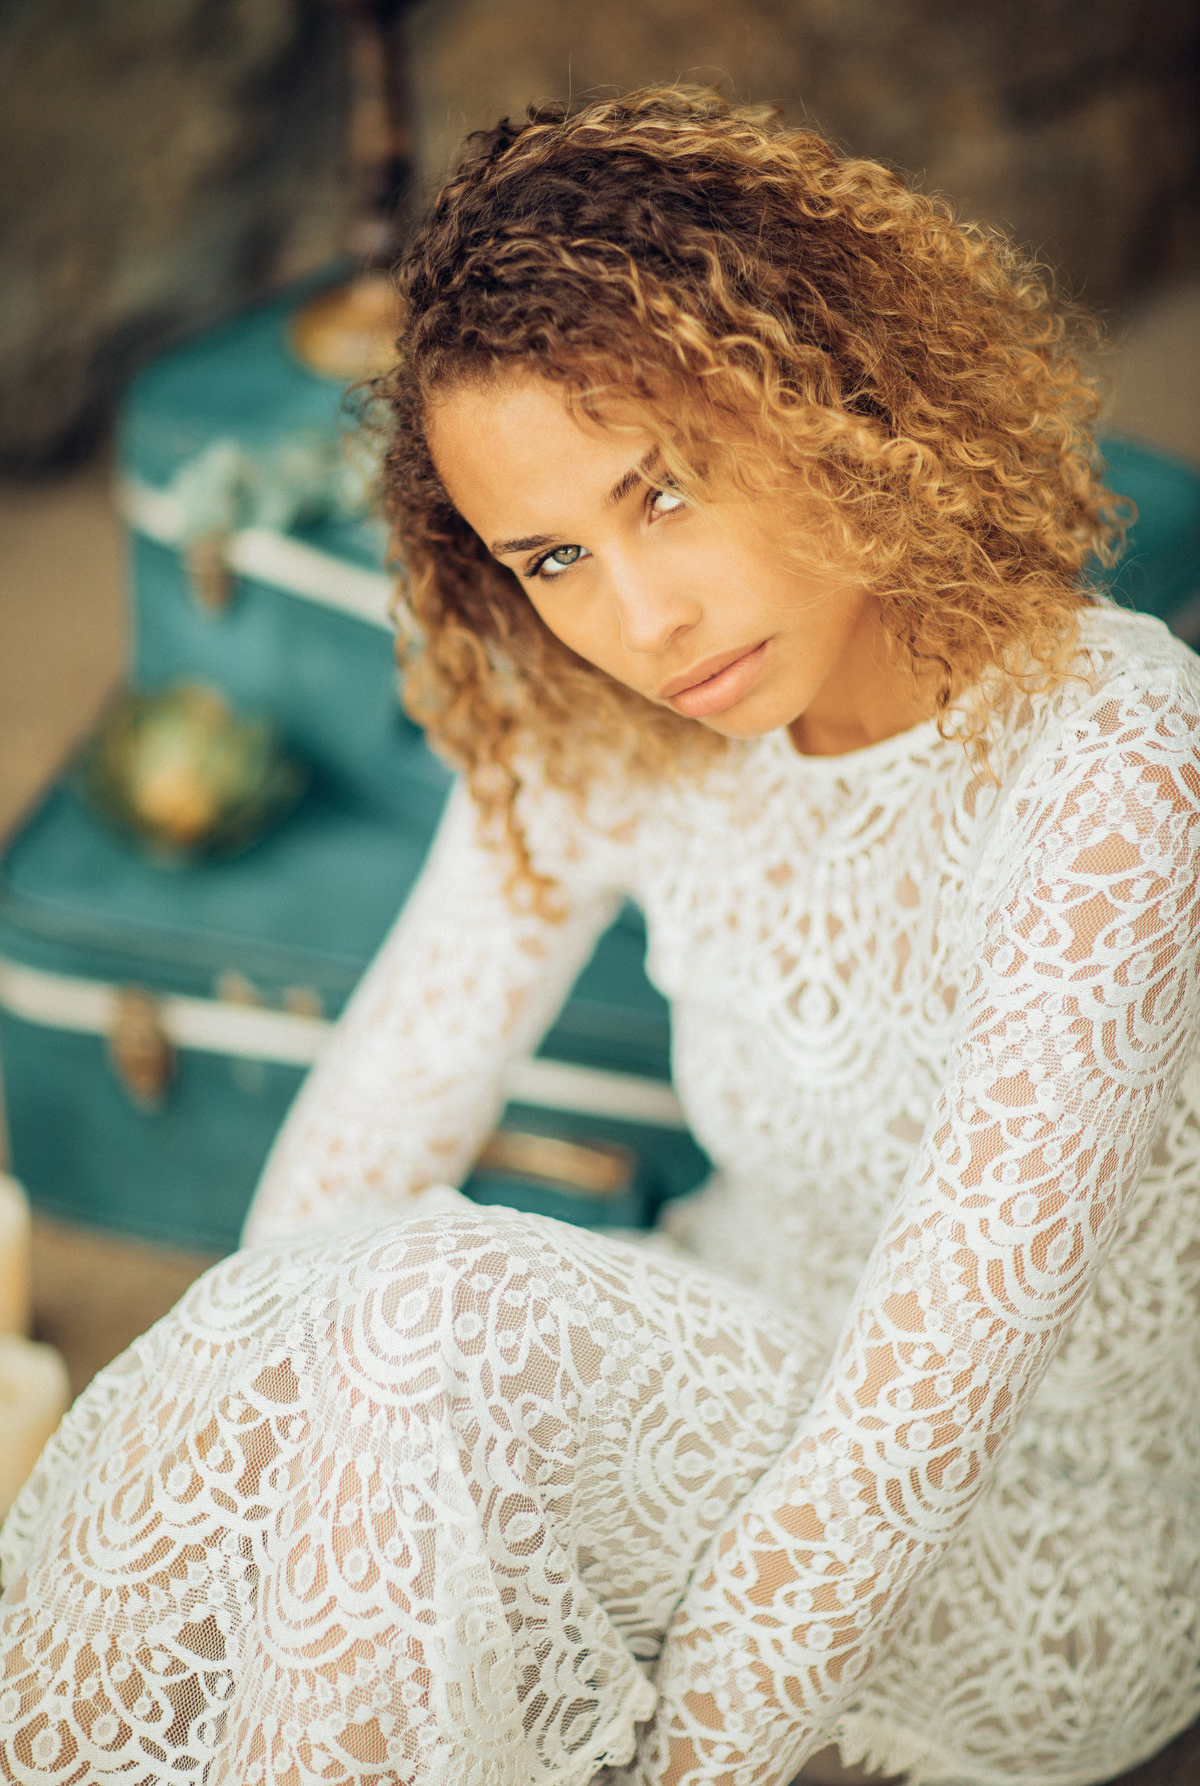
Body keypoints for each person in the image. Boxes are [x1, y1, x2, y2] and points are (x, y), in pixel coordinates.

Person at [3, 87, 1200, 1786]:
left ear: (833, 396)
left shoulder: (1116, 769)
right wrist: (258, 1436)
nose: (642, 622)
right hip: (728, 1368)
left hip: (1032, 1536)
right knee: (342, 1309)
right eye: (553, 554)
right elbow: (367, 1130)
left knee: (429, 1310)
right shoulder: (619, 721)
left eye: (667, 491)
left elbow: (909, 1435)